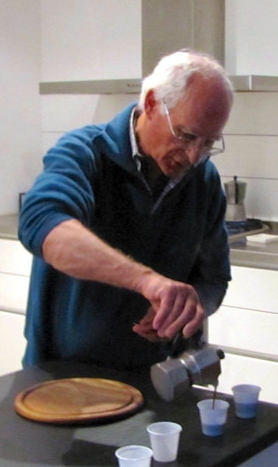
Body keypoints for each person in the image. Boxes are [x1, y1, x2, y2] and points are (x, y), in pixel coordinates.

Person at [18, 50, 234, 370]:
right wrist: (147, 282)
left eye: (208, 143)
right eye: (186, 135)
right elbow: (43, 225)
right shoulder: (85, 153)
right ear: (152, 104)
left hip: (157, 372)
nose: (193, 156)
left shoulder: (204, 180)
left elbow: (213, 279)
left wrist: (187, 307)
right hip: (64, 373)